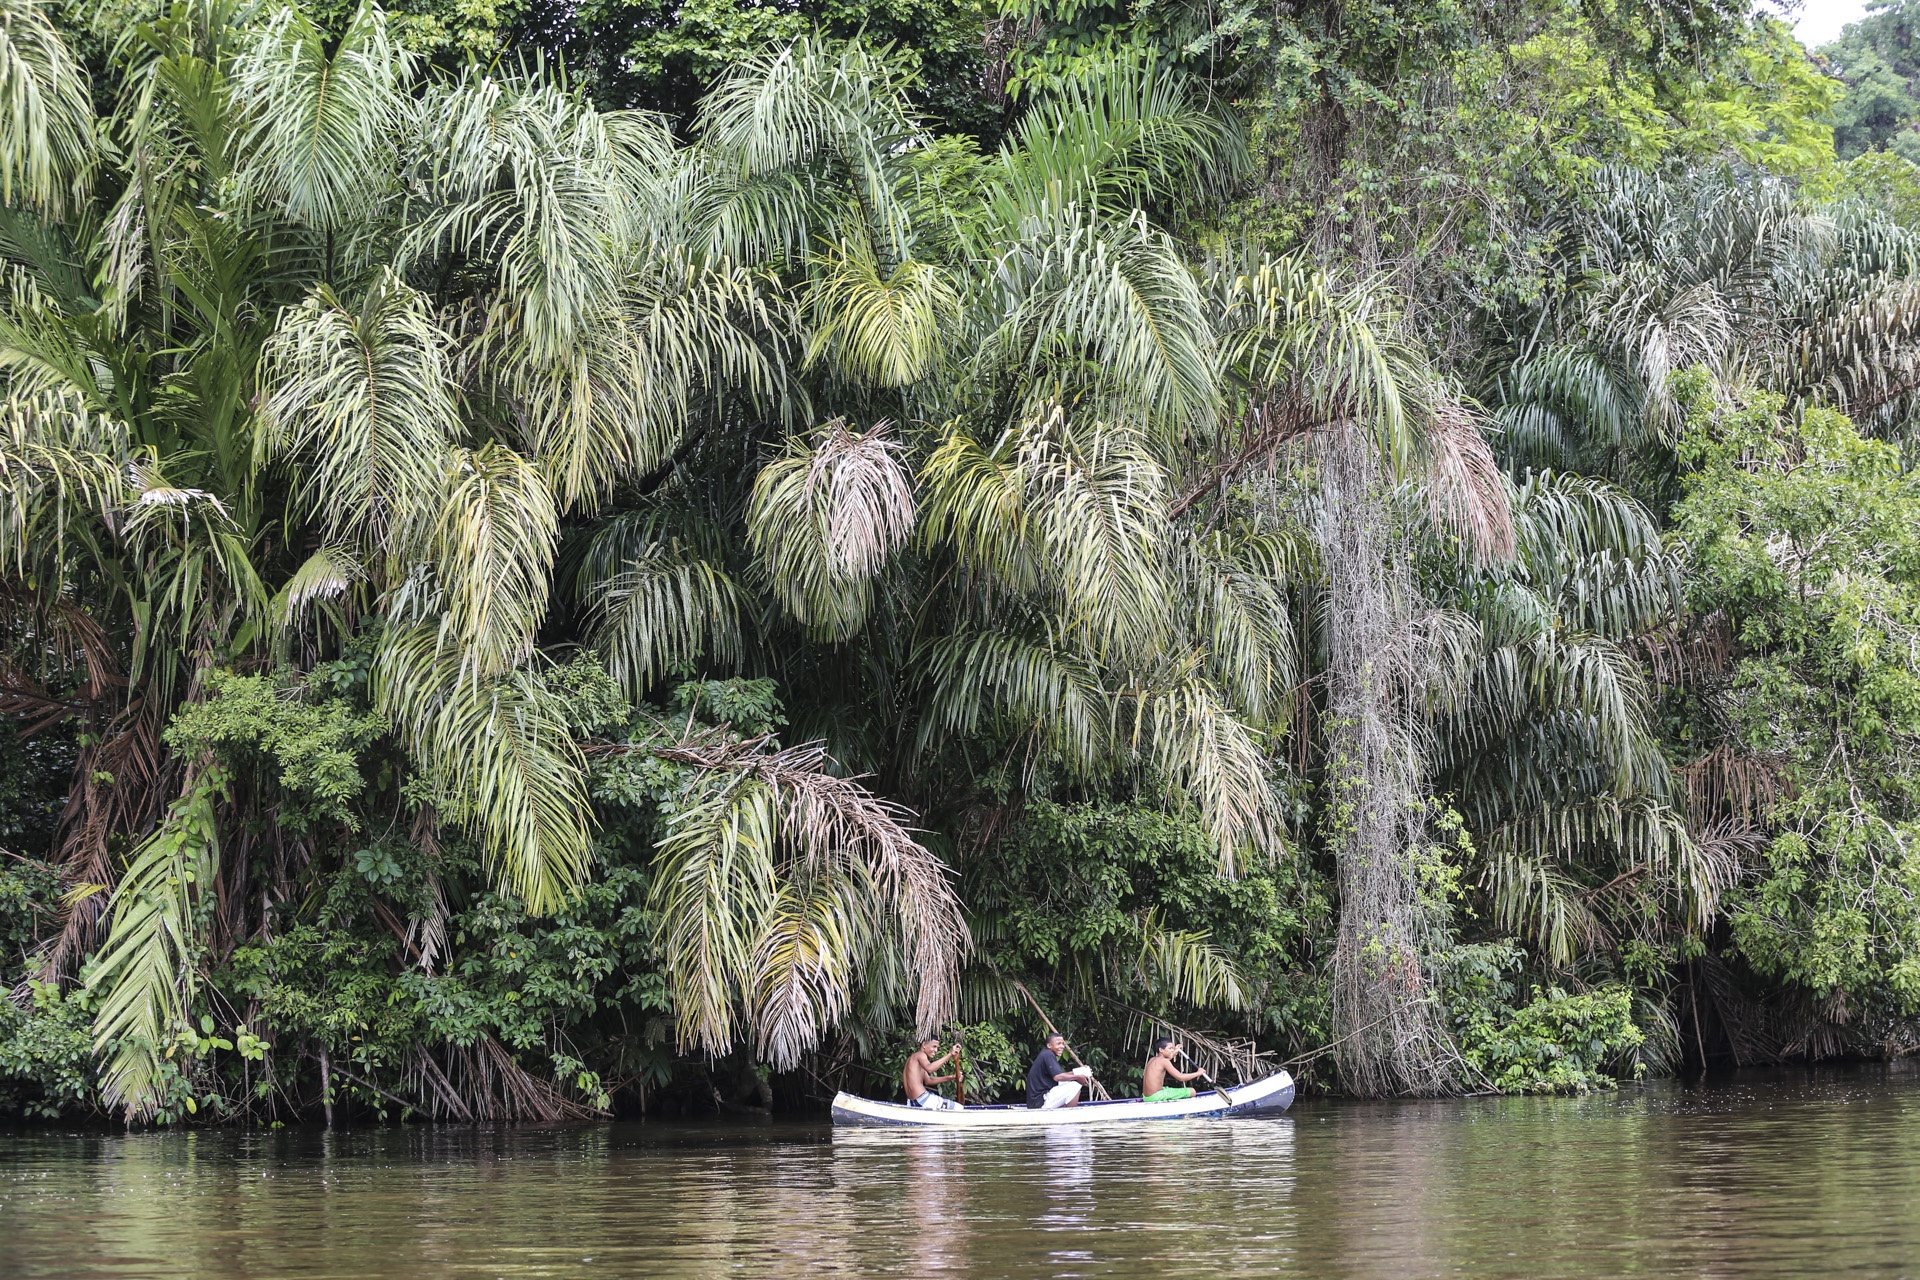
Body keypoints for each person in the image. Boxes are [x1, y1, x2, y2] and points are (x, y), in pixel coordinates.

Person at [1026, 1032, 1092, 1109]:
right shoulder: (1048, 1055)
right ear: (1049, 1045)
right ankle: (1069, 1114)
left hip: (1038, 1100)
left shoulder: (1046, 1053)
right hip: (1039, 1102)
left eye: (1063, 1044)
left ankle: (1064, 1108)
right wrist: (1078, 1077)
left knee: (1070, 1082)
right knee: (1075, 1085)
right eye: (1058, 1044)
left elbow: (1059, 1075)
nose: (1062, 1046)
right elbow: (1057, 1077)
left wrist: (1079, 1071)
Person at [903, 1036, 963, 1110]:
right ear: (924, 1044)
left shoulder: (914, 1059)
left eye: (937, 1048)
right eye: (934, 1046)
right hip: (922, 1099)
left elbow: (929, 1080)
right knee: (959, 1108)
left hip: (912, 1102)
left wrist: (952, 1077)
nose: (936, 1050)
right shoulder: (920, 1055)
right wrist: (950, 1054)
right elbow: (930, 1068)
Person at [1140, 1036, 1208, 1102]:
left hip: (1146, 1097)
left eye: (1173, 1048)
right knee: (1192, 1091)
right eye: (1170, 1048)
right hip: (1155, 1096)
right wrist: (1198, 1073)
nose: (1172, 1050)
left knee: (1167, 1089)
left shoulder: (1153, 1059)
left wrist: (1174, 1052)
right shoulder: (1164, 1061)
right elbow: (1180, 1077)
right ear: (1161, 1050)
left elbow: (1166, 1059)